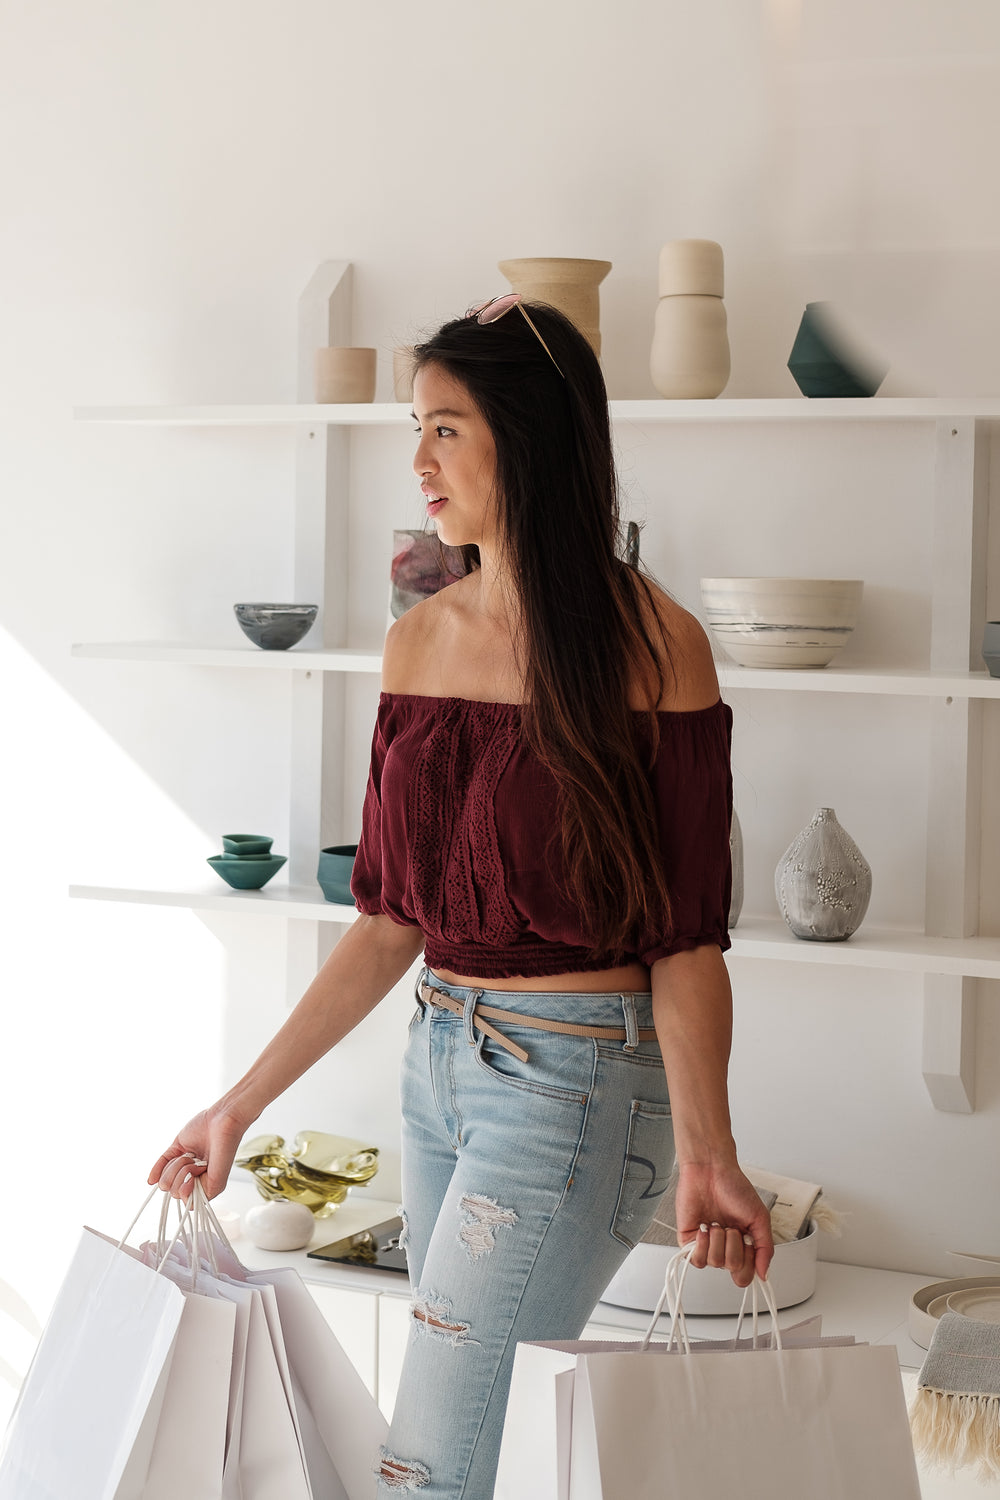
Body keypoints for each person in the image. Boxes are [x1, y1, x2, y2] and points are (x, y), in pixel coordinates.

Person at [150, 294, 774, 1498]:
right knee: (455, 1452)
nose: (419, 460)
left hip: (579, 1084)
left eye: (446, 427)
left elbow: (688, 938)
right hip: (438, 1064)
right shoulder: (420, 641)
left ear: (528, 439)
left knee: (427, 1464)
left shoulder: (657, 647)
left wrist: (710, 1151)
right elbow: (389, 920)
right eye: (415, 429)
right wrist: (237, 1107)